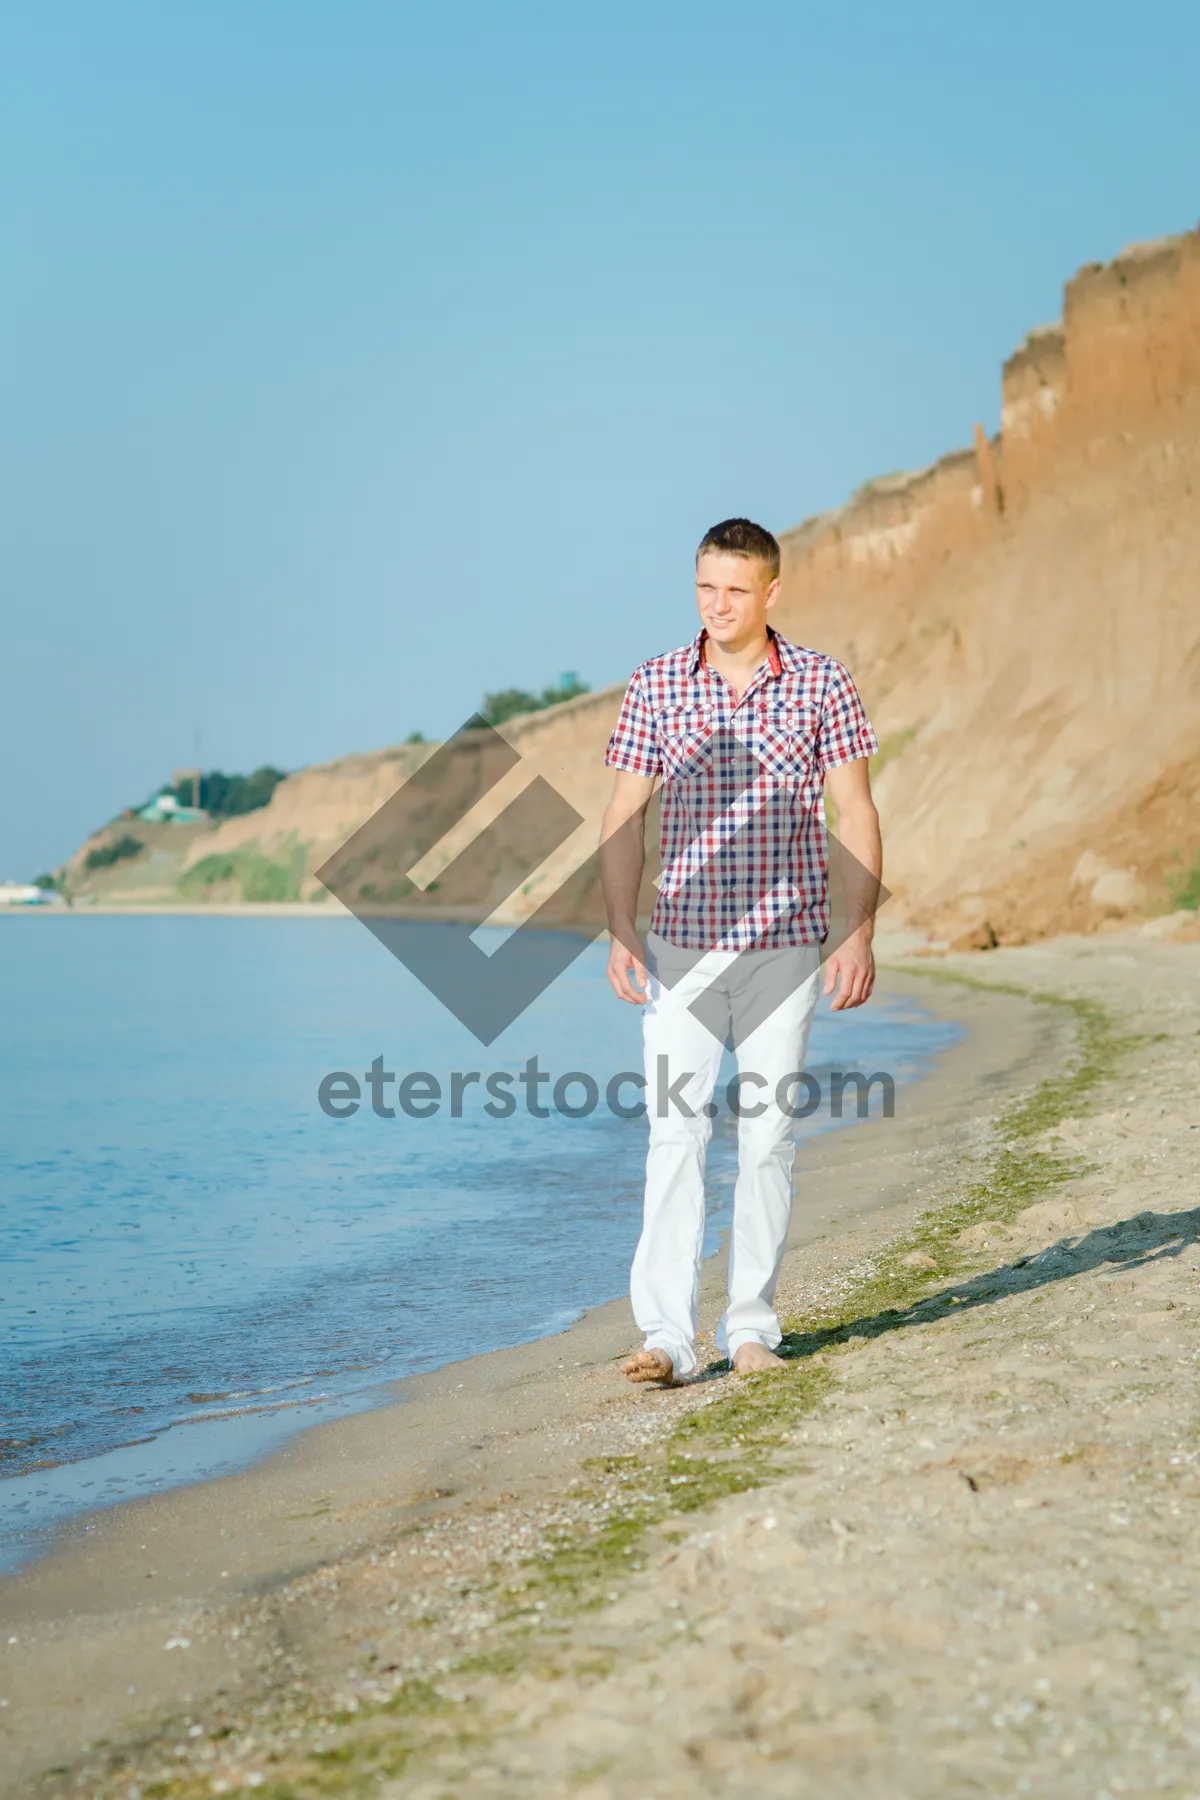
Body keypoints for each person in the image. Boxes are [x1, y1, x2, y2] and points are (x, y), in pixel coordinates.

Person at [599, 517, 882, 1383]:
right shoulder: (655, 685)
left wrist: (858, 928)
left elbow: (857, 814)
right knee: (675, 1137)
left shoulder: (821, 684)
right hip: (681, 948)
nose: (718, 606)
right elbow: (622, 819)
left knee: (765, 1141)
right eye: (705, 588)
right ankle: (669, 1340)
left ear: (771, 592)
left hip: (788, 947)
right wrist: (619, 927)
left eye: (735, 589)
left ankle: (751, 1328)